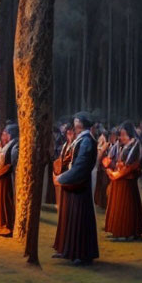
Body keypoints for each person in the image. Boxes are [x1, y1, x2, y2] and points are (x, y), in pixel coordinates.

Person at [52, 112, 99, 264]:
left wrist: (61, 178)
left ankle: (81, 253)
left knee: (79, 219)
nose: (74, 122)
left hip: (79, 186)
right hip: (74, 184)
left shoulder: (86, 141)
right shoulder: (81, 139)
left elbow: (80, 167)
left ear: (81, 124)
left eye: (76, 120)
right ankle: (69, 250)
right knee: (71, 218)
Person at [104, 121, 142, 241]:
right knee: (117, 207)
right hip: (118, 181)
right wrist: (111, 169)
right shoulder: (119, 145)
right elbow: (108, 160)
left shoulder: (135, 146)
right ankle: (117, 231)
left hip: (127, 183)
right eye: (120, 134)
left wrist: (116, 173)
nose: (121, 137)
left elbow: (131, 166)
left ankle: (128, 233)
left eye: (123, 134)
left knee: (126, 208)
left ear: (130, 135)